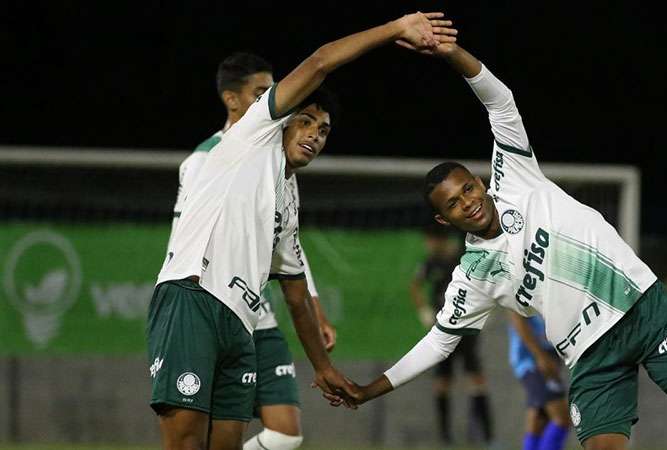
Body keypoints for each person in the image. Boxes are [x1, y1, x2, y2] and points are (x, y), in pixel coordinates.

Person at [335, 42, 667, 450]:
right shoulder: (472, 275)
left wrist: (451, 54)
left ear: (479, 181)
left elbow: (500, 101)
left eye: (468, 188)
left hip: (643, 309)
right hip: (591, 357)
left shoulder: (516, 176)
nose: (468, 201)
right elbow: (438, 342)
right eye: (454, 204)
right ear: (444, 220)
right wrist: (371, 388)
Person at [148, 13, 457, 450]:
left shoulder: (288, 198)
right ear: (282, 119)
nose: (314, 135)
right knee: (185, 442)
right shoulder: (252, 135)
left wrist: (324, 368)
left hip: (241, 322)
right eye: (306, 121)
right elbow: (320, 62)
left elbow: (294, 291)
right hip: (193, 299)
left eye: (324, 130)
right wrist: (395, 29)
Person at [168, 51, 337, 450]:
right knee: (197, 432)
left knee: (285, 433)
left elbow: (286, 242)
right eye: (262, 92)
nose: (271, 99)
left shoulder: (279, 159)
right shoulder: (208, 158)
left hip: (253, 311)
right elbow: (185, 237)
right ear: (232, 99)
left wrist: (315, 305)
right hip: (206, 304)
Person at [410, 223, 493, 445]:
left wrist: (483, 310)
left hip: (466, 328)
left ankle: (486, 436)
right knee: (442, 382)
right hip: (443, 330)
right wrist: (424, 311)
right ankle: (445, 437)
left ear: (440, 239)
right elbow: (415, 286)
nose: (428, 244)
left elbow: (481, 284)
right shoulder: (429, 262)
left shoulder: (460, 259)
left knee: (477, 380)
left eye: (430, 239)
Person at [508, 312, 570, 450]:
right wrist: (541, 356)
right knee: (562, 418)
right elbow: (516, 318)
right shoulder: (520, 291)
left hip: (546, 358)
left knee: (539, 420)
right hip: (533, 362)